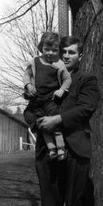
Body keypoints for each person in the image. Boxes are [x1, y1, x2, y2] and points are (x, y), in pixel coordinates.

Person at [31, 35, 99, 206]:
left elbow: (86, 109)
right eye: (64, 52)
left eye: (71, 52)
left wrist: (57, 120)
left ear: (80, 55)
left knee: (75, 205)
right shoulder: (45, 75)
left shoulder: (87, 80)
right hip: (47, 150)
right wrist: (38, 124)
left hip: (75, 149)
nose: (67, 56)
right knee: (50, 204)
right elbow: (30, 109)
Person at [23, 32, 71, 161]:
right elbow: (26, 75)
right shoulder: (35, 62)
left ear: (59, 51)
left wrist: (62, 90)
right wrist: (28, 85)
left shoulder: (59, 64)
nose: (50, 53)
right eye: (46, 49)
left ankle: (60, 147)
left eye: (54, 50)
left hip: (51, 99)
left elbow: (67, 79)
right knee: (42, 125)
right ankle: (51, 149)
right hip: (37, 99)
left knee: (54, 124)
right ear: (41, 49)